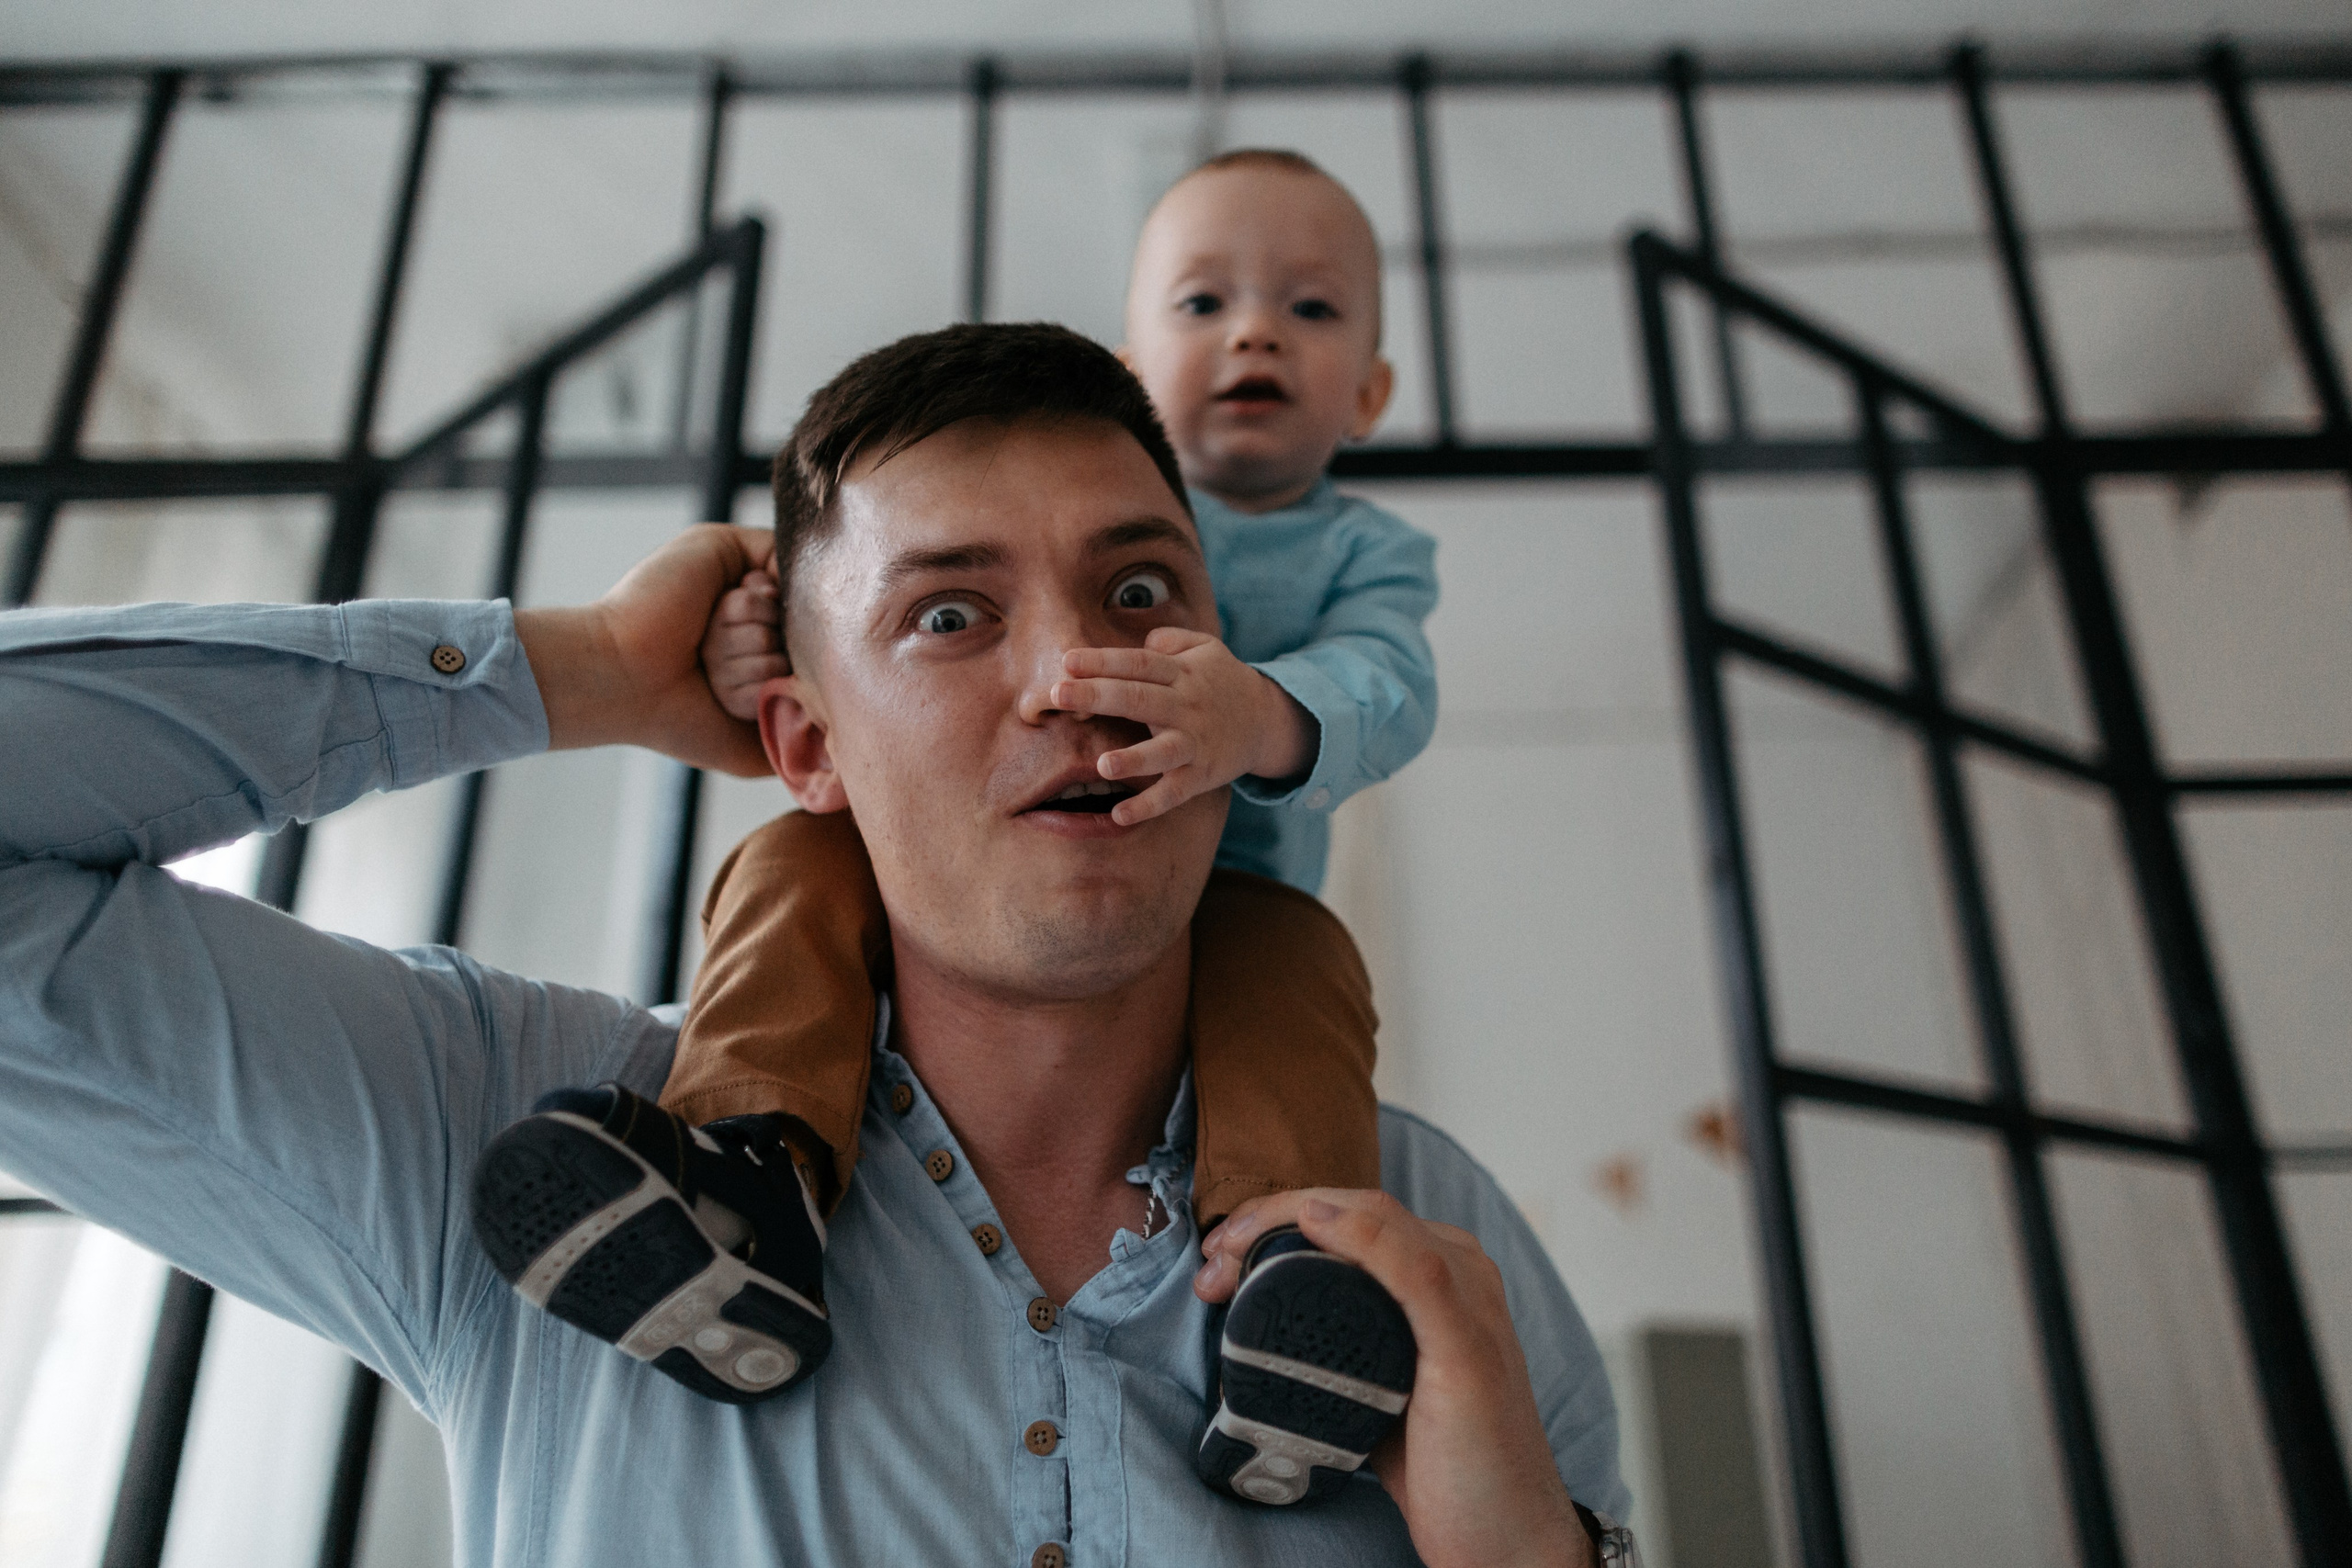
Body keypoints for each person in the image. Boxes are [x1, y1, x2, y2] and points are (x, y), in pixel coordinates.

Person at [0, 322, 1626, 1566]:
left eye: (1139, 589)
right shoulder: (518, 1133)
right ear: (807, 749)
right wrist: (580, 670)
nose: (1075, 675)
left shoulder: (1434, 1255)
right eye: (948, 612)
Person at [548, 154, 1441, 1495]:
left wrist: (1253, 719)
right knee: (786, 865)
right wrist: (739, 637)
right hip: (882, 869)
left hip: (1228, 896)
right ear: (1140, 362)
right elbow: (826, 632)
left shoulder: (1365, 552)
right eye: (1205, 304)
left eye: (1311, 311)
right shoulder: (981, 513)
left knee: (1302, 966)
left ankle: (1289, 1286)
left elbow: (1391, 685)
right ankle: (750, 1182)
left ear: (1369, 392)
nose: (1256, 330)